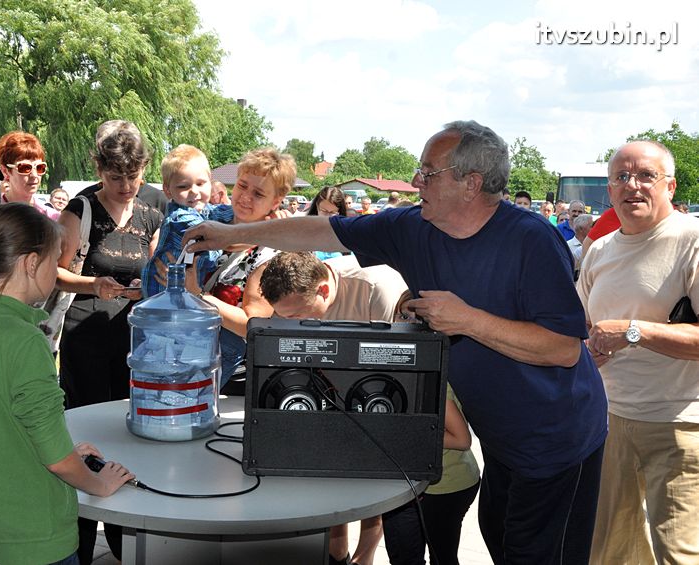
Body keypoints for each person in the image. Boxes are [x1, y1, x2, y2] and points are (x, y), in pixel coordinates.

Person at [184, 120, 608, 564]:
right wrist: (233, 235)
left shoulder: (531, 240)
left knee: (534, 553)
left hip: (557, 442)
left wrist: (467, 320)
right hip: (503, 439)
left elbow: (562, 347)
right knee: (503, 541)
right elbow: (321, 232)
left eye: (428, 172)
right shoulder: (413, 226)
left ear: (471, 184)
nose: (414, 181)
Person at [260, 252, 480, 565]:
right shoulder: (298, 294)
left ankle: (362, 558)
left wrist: (381, 429)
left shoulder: (380, 291)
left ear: (323, 291)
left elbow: (411, 393)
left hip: (423, 468)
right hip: (379, 444)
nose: (291, 323)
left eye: (297, 313)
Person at [0, 203, 133, 565]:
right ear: (31, 265)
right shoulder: (25, 341)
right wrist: (99, 483)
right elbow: (58, 461)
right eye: (54, 262)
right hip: (34, 533)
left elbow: (0, 427)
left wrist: (64, 450)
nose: (58, 270)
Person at [577, 140, 699, 564]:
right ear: (609, 191)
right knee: (609, 551)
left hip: (679, 424)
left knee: (678, 553)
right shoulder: (600, 250)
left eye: (646, 175)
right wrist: (588, 348)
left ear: (670, 186)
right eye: (621, 177)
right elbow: (585, 327)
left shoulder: (691, 240)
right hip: (608, 422)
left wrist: (634, 331)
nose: (633, 185)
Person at [55, 119, 162, 563]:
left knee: (127, 440)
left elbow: (158, 275)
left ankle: (123, 543)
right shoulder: (79, 210)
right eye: (116, 176)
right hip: (84, 339)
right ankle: (75, 542)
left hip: (133, 343)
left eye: (134, 176)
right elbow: (54, 275)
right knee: (84, 440)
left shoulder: (154, 211)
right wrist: (90, 284)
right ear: (98, 168)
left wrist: (147, 289)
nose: (126, 186)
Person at [185, 147, 296, 390]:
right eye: (243, 185)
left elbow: (251, 324)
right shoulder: (208, 218)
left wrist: (197, 296)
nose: (245, 196)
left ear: (275, 201)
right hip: (182, 346)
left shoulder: (272, 252)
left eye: (258, 193)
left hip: (225, 373)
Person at [142, 144, 232, 298]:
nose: (194, 191)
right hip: (163, 296)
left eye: (200, 183)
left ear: (210, 182)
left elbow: (223, 212)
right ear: (168, 190)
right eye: (183, 186)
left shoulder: (204, 211)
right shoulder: (179, 218)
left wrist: (264, 213)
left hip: (182, 293)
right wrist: (247, 234)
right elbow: (213, 240)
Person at [0, 131, 59, 220]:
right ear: (5, 171)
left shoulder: (52, 217)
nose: (34, 175)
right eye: (25, 168)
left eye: (39, 167)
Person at [306, 186, 348, 261]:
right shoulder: (305, 230)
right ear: (317, 206)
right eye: (324, 211)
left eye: (332, 212)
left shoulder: (346, 232)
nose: (327, 216)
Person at [567, 213, 593, 278]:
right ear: (581, 229)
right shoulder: (567, 246)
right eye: (591, 226)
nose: (594, 229)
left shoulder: (594, 245)